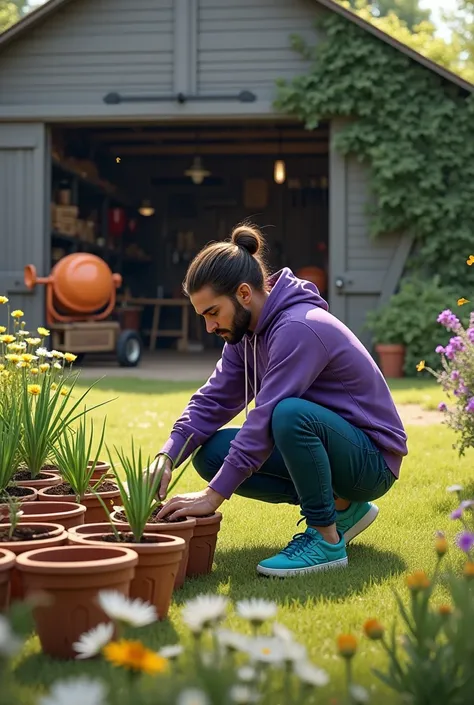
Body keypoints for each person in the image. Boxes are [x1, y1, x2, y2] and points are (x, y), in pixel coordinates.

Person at [154, 224, 408, 577]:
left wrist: (212, 497)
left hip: (371, 462)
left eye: (212, 313)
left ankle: (325, 538)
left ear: (244, 293)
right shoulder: (244, 335)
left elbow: (265, 419)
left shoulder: (298, 328)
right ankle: (343, 508)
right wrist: (167, 455)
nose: (209, 327)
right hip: (335, 449)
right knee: (213, 453)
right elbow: (212, 398)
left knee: (288, 415)